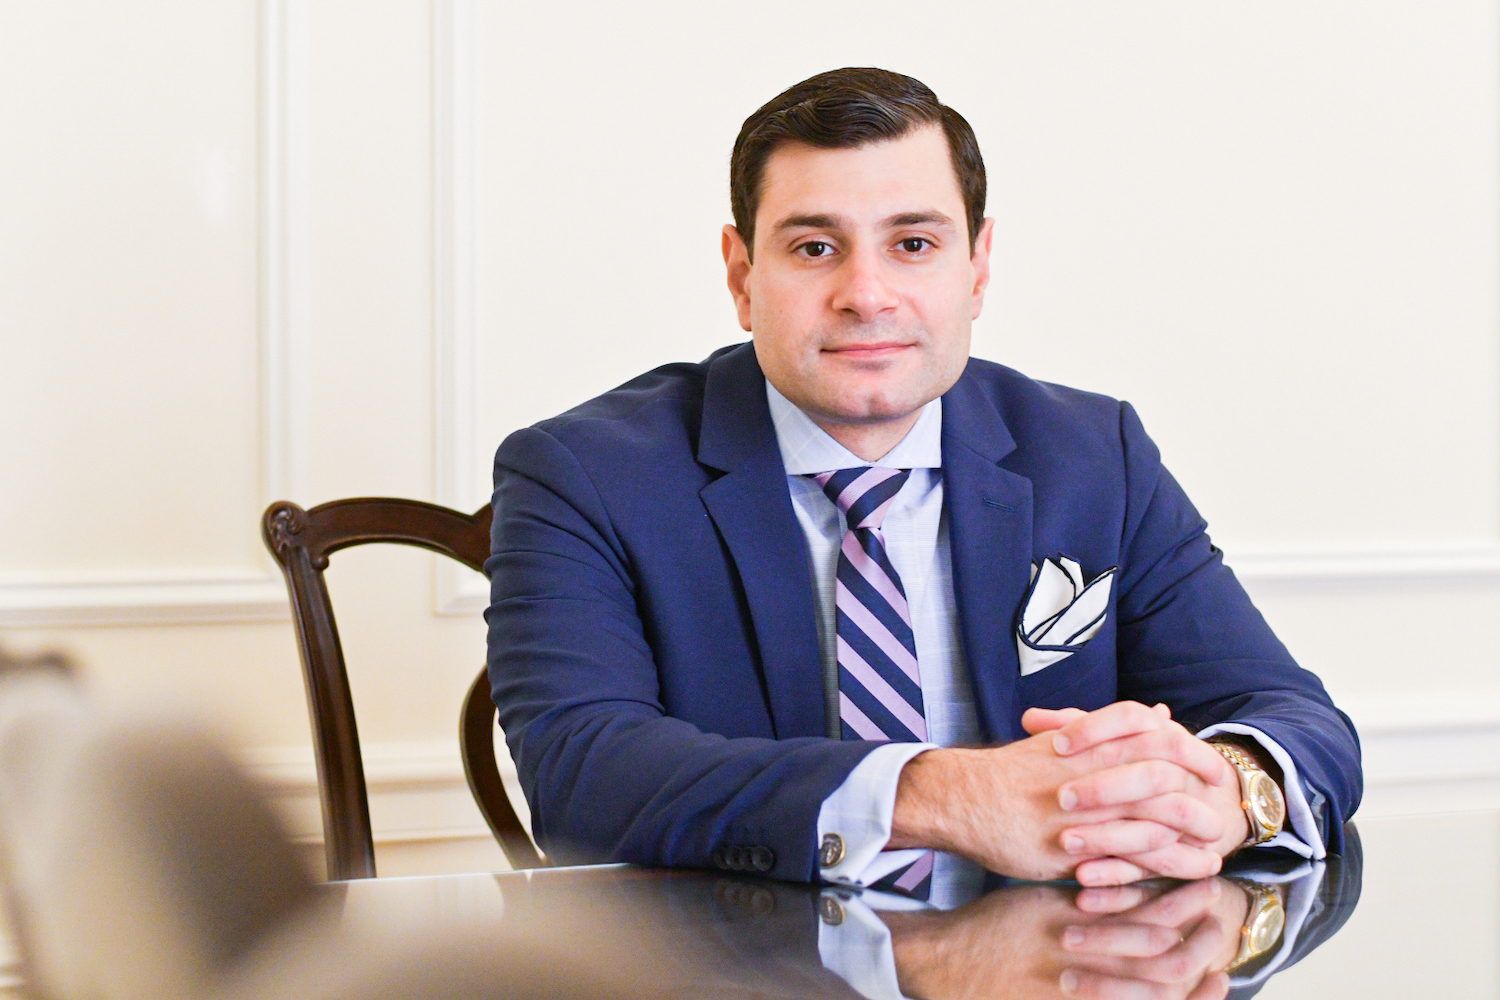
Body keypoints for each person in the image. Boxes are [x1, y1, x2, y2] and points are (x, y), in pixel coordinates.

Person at [483, 67, 1361, 894]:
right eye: (815, 246)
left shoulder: (1096, 455)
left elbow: (1292, 714)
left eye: (912, 242)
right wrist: (946, 796)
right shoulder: (583, 475)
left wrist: (1228, 792)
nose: (866, 294)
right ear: (743, 276)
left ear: (976, 267)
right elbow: (583, 773)